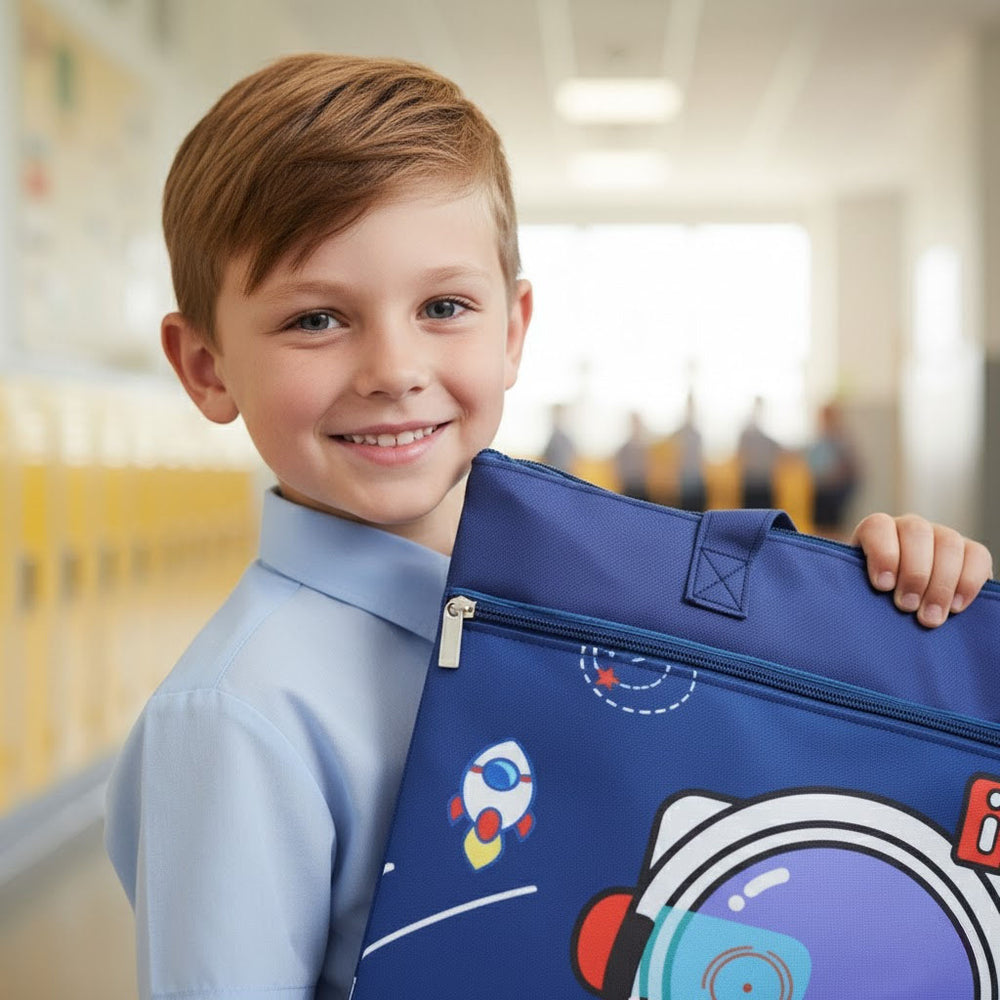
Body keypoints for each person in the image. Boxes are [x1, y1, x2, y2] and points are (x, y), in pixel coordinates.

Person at [103, 53, 995, 1000]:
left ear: (514, 330)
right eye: (318, 319)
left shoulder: (573, 607)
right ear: (205, 366)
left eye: (443, 307)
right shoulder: (239, 716)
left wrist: (887, 600)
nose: (394, 368)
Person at [807, 399, 861, 537]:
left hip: (834, 492)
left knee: (833, 528)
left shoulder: (841, 440)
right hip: (821, 490)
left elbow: (850, 470)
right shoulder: (819, 440)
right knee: (820, 527)